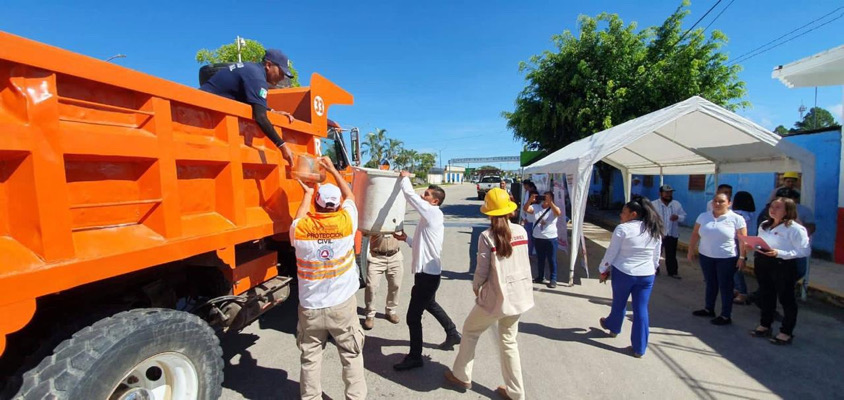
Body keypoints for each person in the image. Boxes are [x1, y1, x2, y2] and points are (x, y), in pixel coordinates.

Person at [443, 188, 534, 400]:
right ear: (510, 210)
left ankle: (461, 375)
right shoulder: (521, 231)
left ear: (489, 212)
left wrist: (477, 288)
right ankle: (516, 392)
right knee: (509, 342)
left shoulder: (487, 236)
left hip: (495, 298)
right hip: (519, 295)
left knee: (470, 330)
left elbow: (482, 270)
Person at [290, 157, 365, 400]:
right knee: (351, 355)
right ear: (338, 205)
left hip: (310, 307)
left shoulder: (301, 229)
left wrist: (307, 193)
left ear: (317, 203)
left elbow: (299, 218)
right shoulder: (346, 222)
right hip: (342, 306)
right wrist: (332, 169)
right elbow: (350, 196)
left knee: (310, 358)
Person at [393, 173, 461, 371]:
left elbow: (410, 195)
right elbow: (423, 245)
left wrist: (404, 178)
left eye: (427, 194)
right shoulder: (430, 217)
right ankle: (452, 332)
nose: (423, 196)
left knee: (413, 317)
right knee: (429, 303)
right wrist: (406, 239)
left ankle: (415, 357)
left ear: (435, 201)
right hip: (428, 274)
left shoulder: (432, 212)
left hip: (427, 276)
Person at [200, 48, 296, 165]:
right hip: (202, 112)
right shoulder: (257, 77)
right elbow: (260, 117)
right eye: (281, 72)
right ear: (268, 65)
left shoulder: (251, 69)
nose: (282, 78)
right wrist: (282, 145)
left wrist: (271, 111)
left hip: (205, 110)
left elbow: (250, 101)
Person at [597, 198, 663, 358]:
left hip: (624, 272)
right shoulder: (653, 228)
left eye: (623, 212)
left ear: (633, 214)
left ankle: (613, 327)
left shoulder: (623, 229)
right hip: (646, 275)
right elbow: (656, 255)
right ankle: (639, 348)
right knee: (641, 309)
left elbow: (612, 252)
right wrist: (653, 269)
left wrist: (603, 268)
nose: (621, 215)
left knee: (619, 303)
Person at [748, 197, 810, 345]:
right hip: (763, 262)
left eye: (777, 207)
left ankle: (786, 332)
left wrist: (779, 253)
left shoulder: (795, 229)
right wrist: (753, 245)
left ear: (788, 211)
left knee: (786, 298)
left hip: (783, 265)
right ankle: (765, 325)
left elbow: (804, 251)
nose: (772, 210)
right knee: (766, 295)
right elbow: (761, 242)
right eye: (772, 206)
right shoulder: (764, 225)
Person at [688, 192, 747, 325]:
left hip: (726, 258)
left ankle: (725, 315)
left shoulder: (737, 219)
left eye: (721, 201)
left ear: (729, 203)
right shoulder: (704, 216)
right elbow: (695, 233)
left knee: (725, 286)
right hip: (706, 256)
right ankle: (709, 309)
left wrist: (742, 257)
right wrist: (691, 249)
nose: (717, 204)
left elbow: (743, 240)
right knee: (710, 283)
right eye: (715, 201)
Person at [362, 231, 403, 330]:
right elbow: (364, 231)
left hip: (395, 256)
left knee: (396, 285)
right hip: (376, 257)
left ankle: (390, 311)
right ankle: (370, 314)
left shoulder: (397, 220)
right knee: (371, 287)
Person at [523, 191, 562, 288]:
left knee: (552, 259)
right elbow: (526, 209)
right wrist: (530, 200)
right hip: (538, 238)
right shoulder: (536, 207)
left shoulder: (554, 208)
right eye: (544, 197)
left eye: (547, 198)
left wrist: (550, 202)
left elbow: (558, 213)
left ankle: (553, 279)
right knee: (540, 259)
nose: (545, 200)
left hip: (551, 238)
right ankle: (540, 277)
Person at [652, 184, 686, 278]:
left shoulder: (676, 204)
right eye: (666, 192)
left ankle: (672, 272)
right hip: (658, 234)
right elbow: (649, 217)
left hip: (672, 233)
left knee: (671, 254)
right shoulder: (653, 204)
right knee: (656, 253)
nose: (668, 194)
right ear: (660, 193)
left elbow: (683, 216)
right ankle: (654, 270)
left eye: (670, 192)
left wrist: (678, 217)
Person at [731, 191, 756, 305]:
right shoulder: (749, 213)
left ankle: (742, 292)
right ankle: (737, 289)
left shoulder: (739, 214)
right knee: (735, 267)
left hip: (737, 241)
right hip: (744, 240)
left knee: (736, 268)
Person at [519, 181, 538, 257]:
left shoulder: (538, 205)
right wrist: (524, 218)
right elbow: (524, 208)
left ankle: (533, 253)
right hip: (528, 221)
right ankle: (529, 253)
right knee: (529, 239)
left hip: (535, 222)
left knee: (534, 239)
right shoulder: (527, 193)